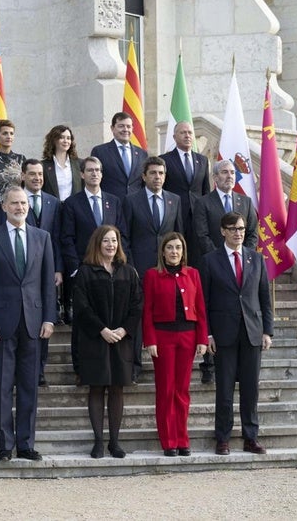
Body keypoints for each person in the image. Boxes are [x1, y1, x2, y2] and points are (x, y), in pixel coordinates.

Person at [0, 186, 57, 462]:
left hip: (33, 322)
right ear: (4, 207)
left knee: (29, 386)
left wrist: (49, 317)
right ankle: (5, 444)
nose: (20, 207)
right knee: (2, 386)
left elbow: (48, 282)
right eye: (14, 203)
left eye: (23, 203)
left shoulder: (42, 238)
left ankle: (25, 443)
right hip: (1, 323)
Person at [200, 212, 273, 456]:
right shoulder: (210, 260)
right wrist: (208, 334)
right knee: (224, 389)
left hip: (252, 332)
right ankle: (223, 438)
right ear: (223, 231)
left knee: (251, 389)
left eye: (241, 228)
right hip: (223, 334)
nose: (238, 232)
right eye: (232, 228)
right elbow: (205, 302)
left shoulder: (257, 258)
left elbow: (265, 298)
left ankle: (251, 437)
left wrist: (267, 330)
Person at [72, 225, 142, 459]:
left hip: (121, 340)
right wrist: (102, 330)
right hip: (95, 339)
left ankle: (114, 442)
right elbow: (81, 307)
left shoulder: (128, 272)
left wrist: (123, 330)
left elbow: (137, 306)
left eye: (114, 241)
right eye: (106, 241)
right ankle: (99, 442)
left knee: (116, 389)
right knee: (96, 387)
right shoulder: (85, 272)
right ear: (97, 244)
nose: (111, 245)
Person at [60, 156, 127, 380]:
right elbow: (67, 238)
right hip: (85, 272)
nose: (94, 174)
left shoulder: (114, 201)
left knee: (109, 320)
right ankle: (81, 369)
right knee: (84, 323)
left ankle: (111, 370)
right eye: (90, 170)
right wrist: (76, 269)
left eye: (98, 170)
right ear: (82, 174)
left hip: (110, 273)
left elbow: (122, 236)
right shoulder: (72, 203)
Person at [142, 232, 208, 457]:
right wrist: (149, 339)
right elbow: (147, 311)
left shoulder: (193, 274)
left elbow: (200, 309)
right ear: (163, 251)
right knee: (166, 390)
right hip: (163, 338)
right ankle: (168, 440)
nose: (174, 252)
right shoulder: (152, 275)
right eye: (170, 247)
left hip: (188, 337)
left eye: (178, 247)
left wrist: (202, 338)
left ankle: (182, 439)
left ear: (183, 251)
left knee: (182, 391)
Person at [192, 158, 258, 384]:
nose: (229, 176)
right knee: (213, 309)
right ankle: (209, 364)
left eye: (232, 172)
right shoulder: (204, 203)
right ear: (215, 177)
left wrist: (240, 255)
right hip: (214, 268)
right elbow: (202, 235)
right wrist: (221, 259)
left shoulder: (246, 202)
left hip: (242, 268)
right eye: (224, 172)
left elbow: (252, 234)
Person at [123, 156, 183, 382]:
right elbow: (125, 236)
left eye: (161, 173)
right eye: (153, 173)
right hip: (140, 267)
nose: (158, 177)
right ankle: (135, 366)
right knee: (139, 315)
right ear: (144, 176)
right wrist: (131, 266)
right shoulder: (131, 200)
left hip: (169, 271)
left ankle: (166, 364)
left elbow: (179, 235)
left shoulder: (174, 200)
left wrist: (178, 267)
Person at [21, 158, 63, 386]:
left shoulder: (53, 202)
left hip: (45, 272)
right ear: (23, 176)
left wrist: (58, 268)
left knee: (45, 321)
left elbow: (57, 238)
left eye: (40, 174)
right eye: (33, 174)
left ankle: (39, 371)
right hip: (20, 272)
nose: (37, 178)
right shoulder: (13, 201)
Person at [41, 124, 80, 325]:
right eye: (62, 137)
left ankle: (70, 305)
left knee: (70, 256)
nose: (65, 141)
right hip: (53, 214)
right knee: (55, 256)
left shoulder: (77, 164)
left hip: (73, 213)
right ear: (54, 140)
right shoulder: (44, 165)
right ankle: (56, 306)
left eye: (68, 138)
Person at [160, 121, 210, 265]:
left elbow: (205, 190)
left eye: (189, 132)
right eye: (183, 132)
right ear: (175, 137)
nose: (187, 135)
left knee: (196, 256)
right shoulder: (165, 160)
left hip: (197, 216)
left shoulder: (203, 160)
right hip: (175, 215)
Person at [90, 112, 148, 199]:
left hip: (136, 206)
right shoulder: (99, 152)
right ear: (112, 128)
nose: (125, 129)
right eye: (121, 126)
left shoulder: (142, 154)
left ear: (132, 129)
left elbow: (144, 182)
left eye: (128, 126)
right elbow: (94, 181)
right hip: (110, 205)